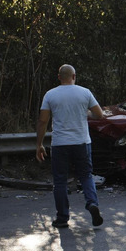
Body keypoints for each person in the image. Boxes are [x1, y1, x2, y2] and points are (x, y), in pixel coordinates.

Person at [36, 64, 106, 228]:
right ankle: (91, 204)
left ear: (59, 77)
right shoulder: (84, 92)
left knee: (60, 181)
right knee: (86, 176)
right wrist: (85, 113)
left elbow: (43, 121)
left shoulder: (50, 94)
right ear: (74, 76)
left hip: (60, 144)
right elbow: (99, 115)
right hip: (82, 142)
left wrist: (39, 144)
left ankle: (62, 218)